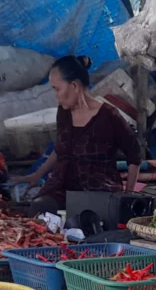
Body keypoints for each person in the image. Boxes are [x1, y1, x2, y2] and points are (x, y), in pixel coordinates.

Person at [14, 56, 141, 214]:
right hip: (62, 189)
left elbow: (134, 156)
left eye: (57, 89)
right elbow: (61, 150)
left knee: (86, 222)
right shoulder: (64, 112)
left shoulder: (109, 115)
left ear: (74, 86)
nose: (56, 95)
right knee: (40, 208)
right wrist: (38, 174)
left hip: (98, 192)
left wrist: (127, 196)